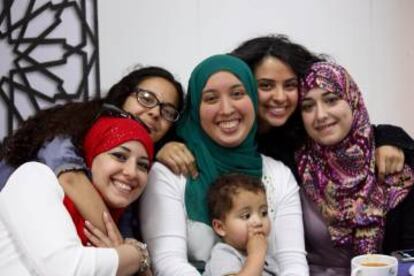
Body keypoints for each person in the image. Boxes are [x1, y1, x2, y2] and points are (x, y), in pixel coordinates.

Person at [139, 54, 309, 275]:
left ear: (254, 101)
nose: (227, 109)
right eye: (211, 98)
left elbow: (294, 265)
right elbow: (169, 265)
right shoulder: (171, 172)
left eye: (238, 94)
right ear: (195, 110)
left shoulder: (278, 175)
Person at [0, 66, 184, 235]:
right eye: (146, 98)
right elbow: (70, 177)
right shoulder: (77, 124)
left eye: (168, 111)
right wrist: (123, 252)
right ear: (123, 95)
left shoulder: (139, 168)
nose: (155, 112)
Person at [296, 61, 414, 275]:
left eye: (331, 100)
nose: (320, 115)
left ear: (352, 99)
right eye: (307, 106)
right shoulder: (297, 165)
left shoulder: (394, 164)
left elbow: (409, 252)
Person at [0, 113, 155, 275]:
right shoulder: (33, 178)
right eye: (120, 156)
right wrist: (137, 255)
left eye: (143, 166)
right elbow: (66, 270)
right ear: (92, 154)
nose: (131, 172)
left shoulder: (114, 238)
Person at [204, 173, 272, 276]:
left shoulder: (269, 258)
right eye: (246, 216)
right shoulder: (223, 254)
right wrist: (256, 255)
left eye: (264, 213)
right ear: (220, 227)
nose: (258, 221)